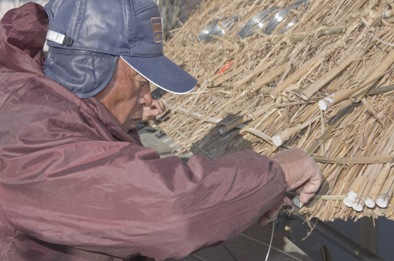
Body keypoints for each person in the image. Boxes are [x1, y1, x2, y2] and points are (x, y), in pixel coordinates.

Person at [0, 1, 322, 261]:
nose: (148, 98)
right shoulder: (27, 130)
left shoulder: (42, 102)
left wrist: (126, 120)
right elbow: (169, 210)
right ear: (89, 72)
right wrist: (276, 173)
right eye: (141, 84)